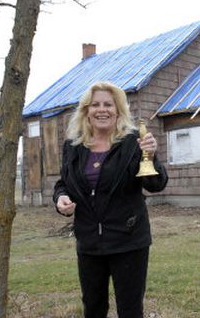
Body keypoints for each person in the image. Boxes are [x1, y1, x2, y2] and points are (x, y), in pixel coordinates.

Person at [53, 81, 168, 318]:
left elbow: (156, 185)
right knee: (93, 309)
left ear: (118, 110)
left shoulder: (133, 142)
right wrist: (61, 198)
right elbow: (64, 183)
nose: (102, 109)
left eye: (108, 104)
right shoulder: (73, 146)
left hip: (128, 240)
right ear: (86, 110)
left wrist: (152, 157)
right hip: (89, 242)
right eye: (95, 104)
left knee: (130, 310)